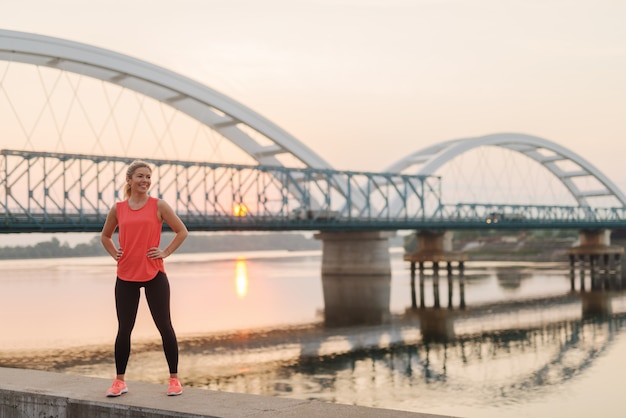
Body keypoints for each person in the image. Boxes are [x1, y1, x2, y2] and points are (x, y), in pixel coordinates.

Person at [100, 160, 189, 397]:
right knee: (124, 329)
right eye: (140, 176)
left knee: (165, 327)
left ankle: (174, 380)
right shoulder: (118, 208)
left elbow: (182, 231)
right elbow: (106, 236)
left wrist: (165, 252)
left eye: (148, 177)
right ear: (129, 180)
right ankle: (119, 382)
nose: (145, 181)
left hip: (154, 274)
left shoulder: (158, 205)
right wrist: (115, 253)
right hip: (126, 274)